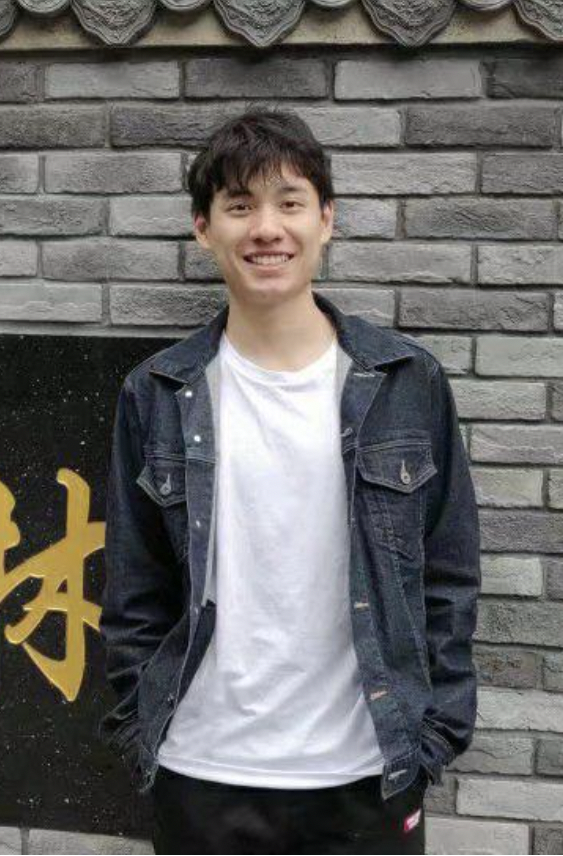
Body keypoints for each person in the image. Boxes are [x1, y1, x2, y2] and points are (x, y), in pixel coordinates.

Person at [98, 108, 480, 854]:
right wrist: (140, 721)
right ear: (203, 229)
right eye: (240, 206)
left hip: (368, 771)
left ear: (326, 219)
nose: (266, 229)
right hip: (202, 769)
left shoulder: (406, 382)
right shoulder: (157, 394)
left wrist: (435, 733)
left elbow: (449, 572)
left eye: (290, 202)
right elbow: (134, 585)